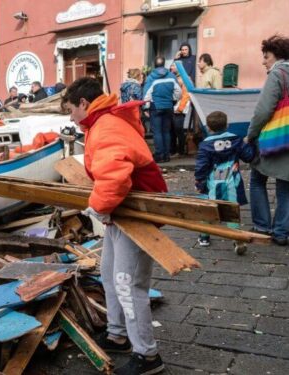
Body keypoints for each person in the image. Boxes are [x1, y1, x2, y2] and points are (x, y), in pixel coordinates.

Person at [62, 77, 167, 375]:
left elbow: (114, 178)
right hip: (123, 211)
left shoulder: (105, 127)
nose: (70, 116)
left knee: (128, 283)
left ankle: (148, 356)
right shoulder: (101, 123)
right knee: (109, 273)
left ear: (84, 103)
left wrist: (96, 207)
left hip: (138, 213)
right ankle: (117, 334)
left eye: (71, 109)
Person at [246, 35, 289, 246]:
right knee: (286, 186)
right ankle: (281, 232)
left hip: (275, 139)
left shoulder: (278, 73)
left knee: (257, 179)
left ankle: (262, 226)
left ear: (277, 56)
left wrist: (250, 134)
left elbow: (263, 111)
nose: (264, 61)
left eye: (266, 56)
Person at [194, 111, 255, 252]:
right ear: (227, 125)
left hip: (213, 183)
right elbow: (248, 156)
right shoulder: (235, 139)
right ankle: (237, 239)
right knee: (231, 209)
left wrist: (199, 182)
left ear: (208, 128)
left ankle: (204, 237)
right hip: (233, 180)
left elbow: (201, 167)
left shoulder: (205, 145)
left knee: (208, 207)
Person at [144, 56, 182, 163]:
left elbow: (147, 94)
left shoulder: (151, 77)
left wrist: (145, 108)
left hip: (155, 107)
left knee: (157, 132)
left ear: (154, 65)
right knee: (166, 131)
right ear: (164, 64)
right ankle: (166, 155)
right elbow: (179, 92)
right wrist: (173, 101)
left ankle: (159, 155)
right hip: (168, 107)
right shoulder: (171, 76)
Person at [171, 67, 191, 156]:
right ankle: (174, 150)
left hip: (179, 109)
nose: (171, 67)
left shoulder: (185, 79)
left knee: (178, 130)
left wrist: (180, 108)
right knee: (173, 130)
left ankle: (181, 151)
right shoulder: (175, 77)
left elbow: (186, 95)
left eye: (173, 66)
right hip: (174, 108)